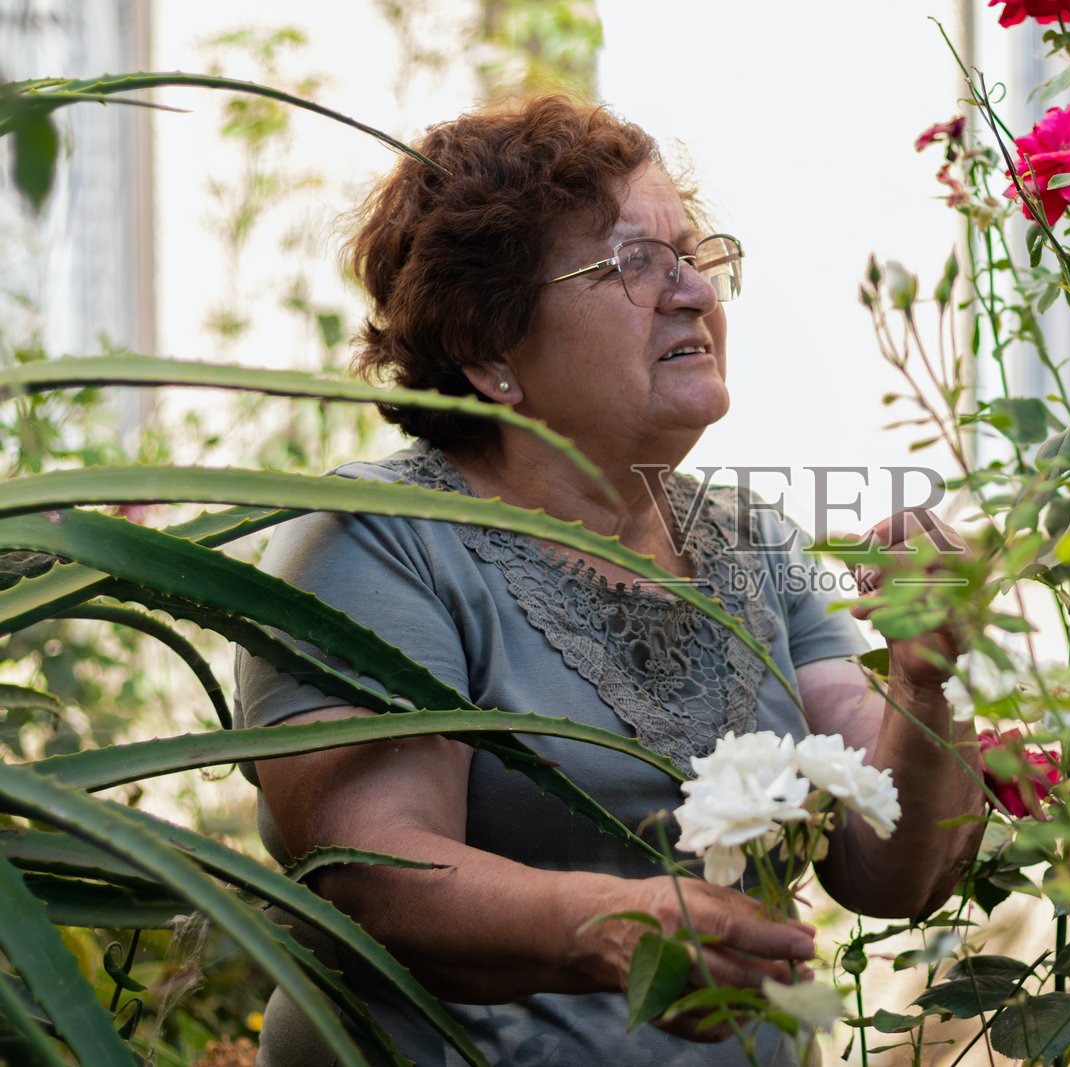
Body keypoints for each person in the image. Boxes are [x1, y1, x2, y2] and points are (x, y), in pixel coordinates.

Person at [236, 94, 984, 1066]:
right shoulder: (379, 543)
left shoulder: (754, 539)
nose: (694, 292)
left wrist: (929, 677)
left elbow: (892, 869)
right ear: (492, 354)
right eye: (633, 262)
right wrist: (610, 920)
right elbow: (374, 871)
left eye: (696, 255)